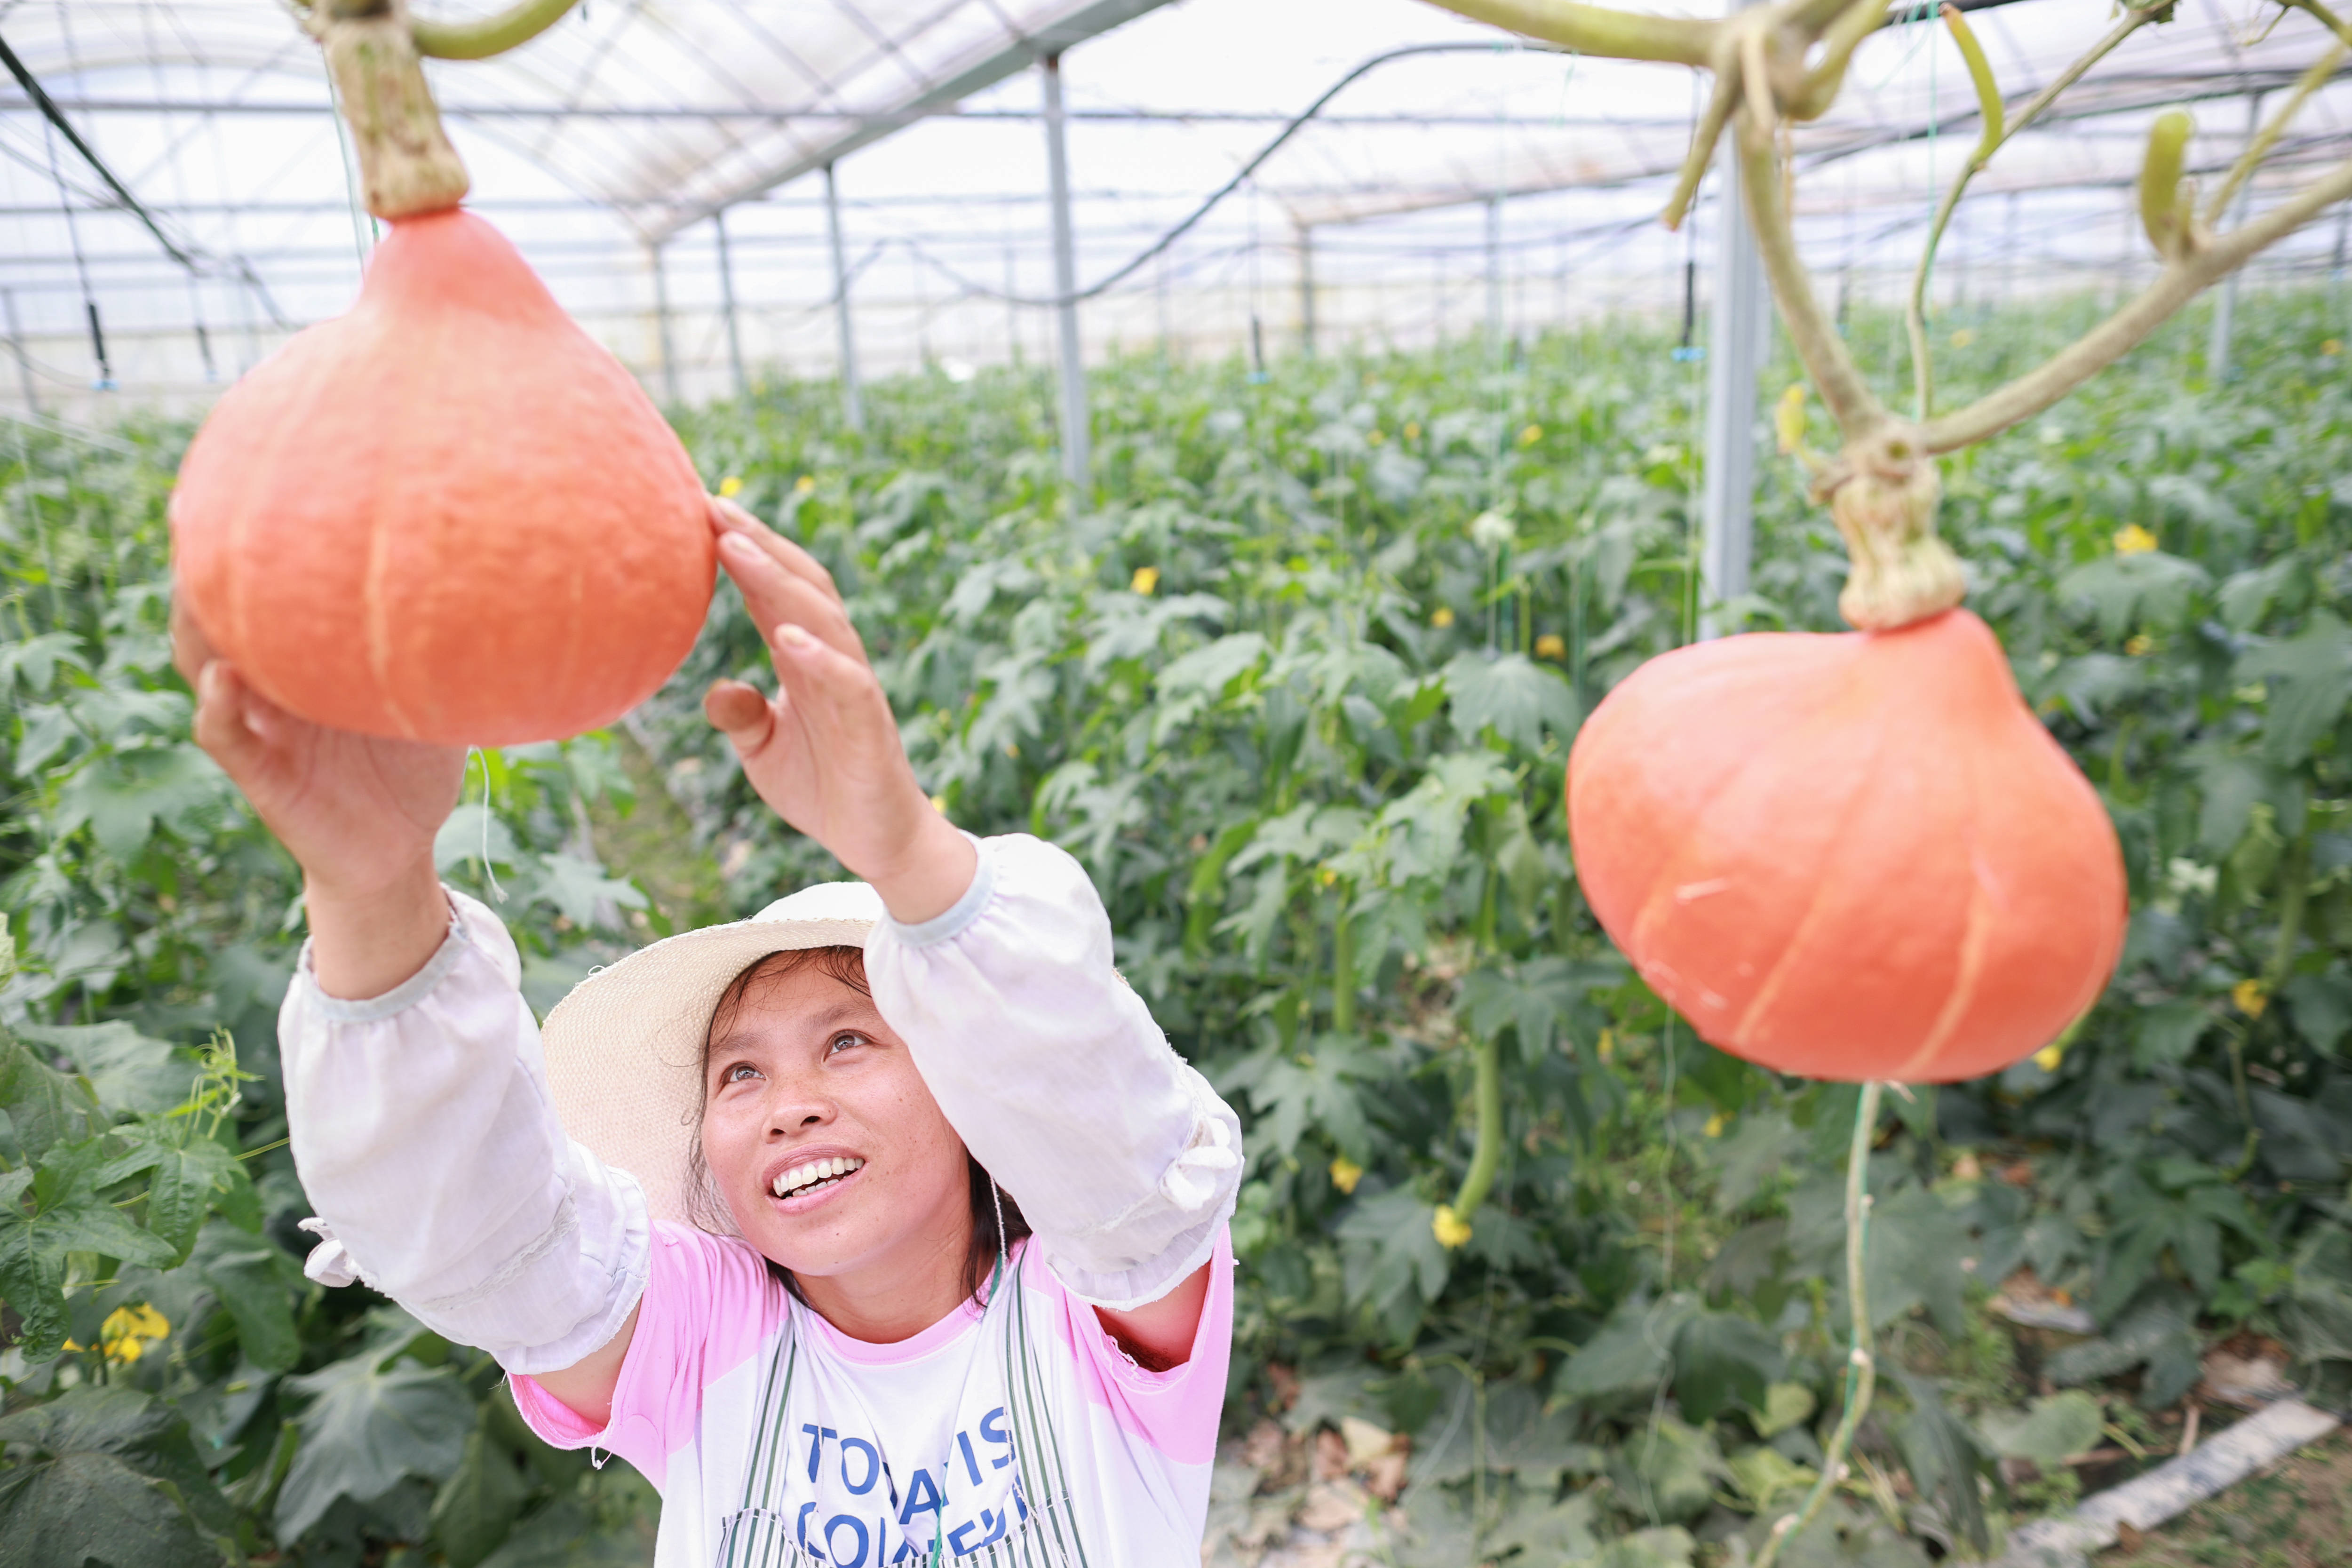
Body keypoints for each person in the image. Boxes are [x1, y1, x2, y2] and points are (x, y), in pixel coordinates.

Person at [180, 495, 1245, 1566]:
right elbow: (490, 1241)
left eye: (847, 1041)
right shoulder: (704, 1334)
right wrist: (370, 886)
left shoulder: (1093, 1302)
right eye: (740, 1073)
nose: (792, 1104)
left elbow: (1120, 1146)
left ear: (975, 1091)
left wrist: (908, 846)